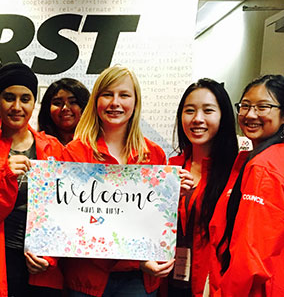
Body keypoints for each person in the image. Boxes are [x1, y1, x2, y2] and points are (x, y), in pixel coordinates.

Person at [62, 65, 192, 296]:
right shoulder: (75, 152)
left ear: (135, 102)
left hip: (138, 280)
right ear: (96, 101)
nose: (115, 103)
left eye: (124, 95)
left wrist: (174, 195)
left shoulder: (154, 154)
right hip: (87, 279)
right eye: (107, 94)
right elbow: (72, 222)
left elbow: (155, 220)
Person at [0, 63, 64, 296]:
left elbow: (63, 216)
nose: (17, 107)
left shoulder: (53, 148)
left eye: (25, 99)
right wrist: (4, 179)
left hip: (42, 267)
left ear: (34, 103)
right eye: (9, 98)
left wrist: (48, 256)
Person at [209, 75, 284, 296]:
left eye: (263, 107)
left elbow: (251, 255)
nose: (250, 114)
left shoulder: (264, 166)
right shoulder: (252, 159)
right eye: (245, 106)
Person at [166, 79, 238, 296]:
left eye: (208, 111)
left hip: (212, 285)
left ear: (223, 117)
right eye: (190, 110)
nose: (197, 119)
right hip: (167, 282)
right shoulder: (170, 169)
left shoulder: (237, 173)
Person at [38, 78, 90, 145]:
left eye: (73, 102)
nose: (65, 108)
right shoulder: (37, 143)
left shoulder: (96, 145)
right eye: (57, 103)